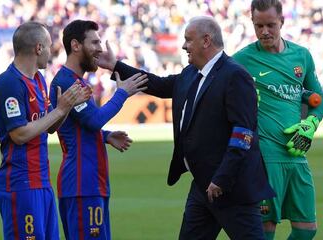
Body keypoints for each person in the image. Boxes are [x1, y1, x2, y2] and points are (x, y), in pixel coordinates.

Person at [98, 16, 275, 239]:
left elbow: (243, 134)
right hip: (203, 187)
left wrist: (222, 178)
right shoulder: (191, 73)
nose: (183, 46)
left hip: (232, 189)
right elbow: (157, 84)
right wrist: (115, 66)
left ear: (206, 41)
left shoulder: (235, 75)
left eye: (188, 40)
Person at [0, 21, 92, 239]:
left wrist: (67, 106)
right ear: (38, 48)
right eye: (49, 46)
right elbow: (19, 135)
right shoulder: (9, 82)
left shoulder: (39, 80)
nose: (51, 51)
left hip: (41, 181)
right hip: (20, 183)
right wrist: (60, 109)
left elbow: (50, 127)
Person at [233, 0, 323, 239]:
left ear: (282, 22)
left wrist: (310, 125)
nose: (264, 31)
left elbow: (317, 98)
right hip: (264, 158)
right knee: (265, 230)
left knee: (307, 230)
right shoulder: (241, 60)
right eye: (259, 25)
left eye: (271, 25)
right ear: (252, 23)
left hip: (297, 154)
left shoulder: (302, 56)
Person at [49, 20, 148, 240]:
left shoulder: (72, 81)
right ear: (76, 45)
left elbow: (77, 125)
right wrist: (122, 93)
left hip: (87, 183)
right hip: (83, 184)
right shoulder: (66, 82)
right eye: (94, 42)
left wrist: (104, 137)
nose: (100, 48)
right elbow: (93, 121)